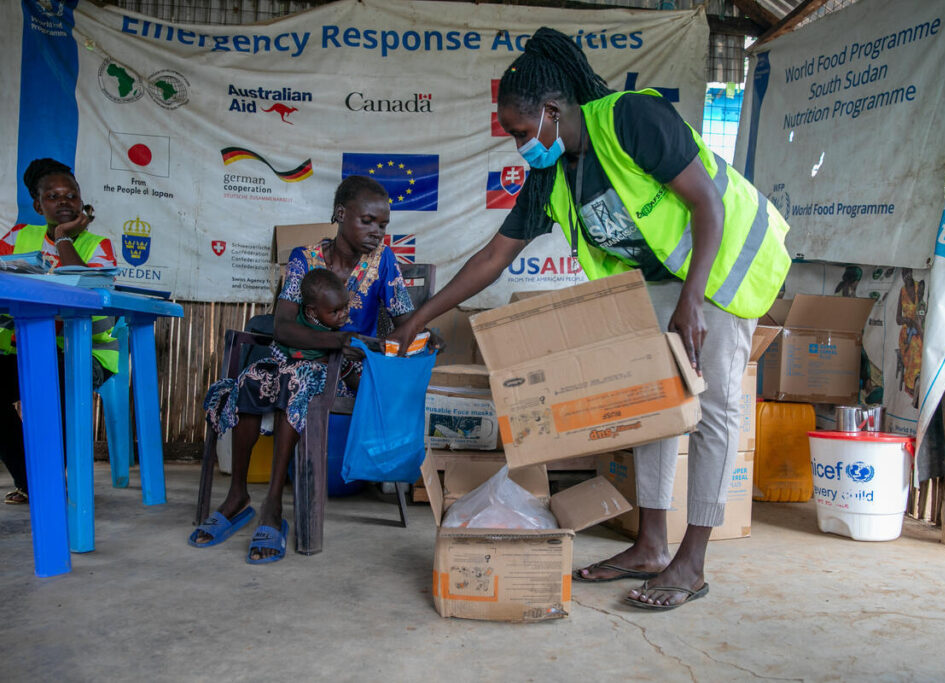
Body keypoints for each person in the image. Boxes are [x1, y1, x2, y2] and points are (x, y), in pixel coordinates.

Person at [390, 27, 791, 610]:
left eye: (524, 132)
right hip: (659, 280)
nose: (521, 146)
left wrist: (693, 301)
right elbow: (492, 259)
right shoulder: (550, 175)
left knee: (714, 411)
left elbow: (707, 203)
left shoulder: (630, 119)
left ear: (552, 112)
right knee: (656, 403)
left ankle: (693, 561)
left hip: (724, 263)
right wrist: (417, 317)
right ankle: (652, 545)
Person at [190, 175, 425, 563]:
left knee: (293, 384)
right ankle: (238, 495)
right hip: (297, 360)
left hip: (344, 376)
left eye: (382, 225)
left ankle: (273, 507)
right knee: (253, 379)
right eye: (367, 221)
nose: (377, 232)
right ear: (340, 214)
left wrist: (423, 333)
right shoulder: (305, 259)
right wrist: (339, 339)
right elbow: (282, 326)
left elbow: (405, 318)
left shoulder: (383, 262)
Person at [0, 158, 119, 505]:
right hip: (19, 350)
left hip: (82, 353)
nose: (64, 202)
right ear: (38, 205)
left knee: (56, 379)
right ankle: (32, 480)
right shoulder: (18, 237)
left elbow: (85, 295)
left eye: (71, 195)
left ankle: (51, 481)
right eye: (52, 196)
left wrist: (64, 238)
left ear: (82, 202)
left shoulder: (98, 245)